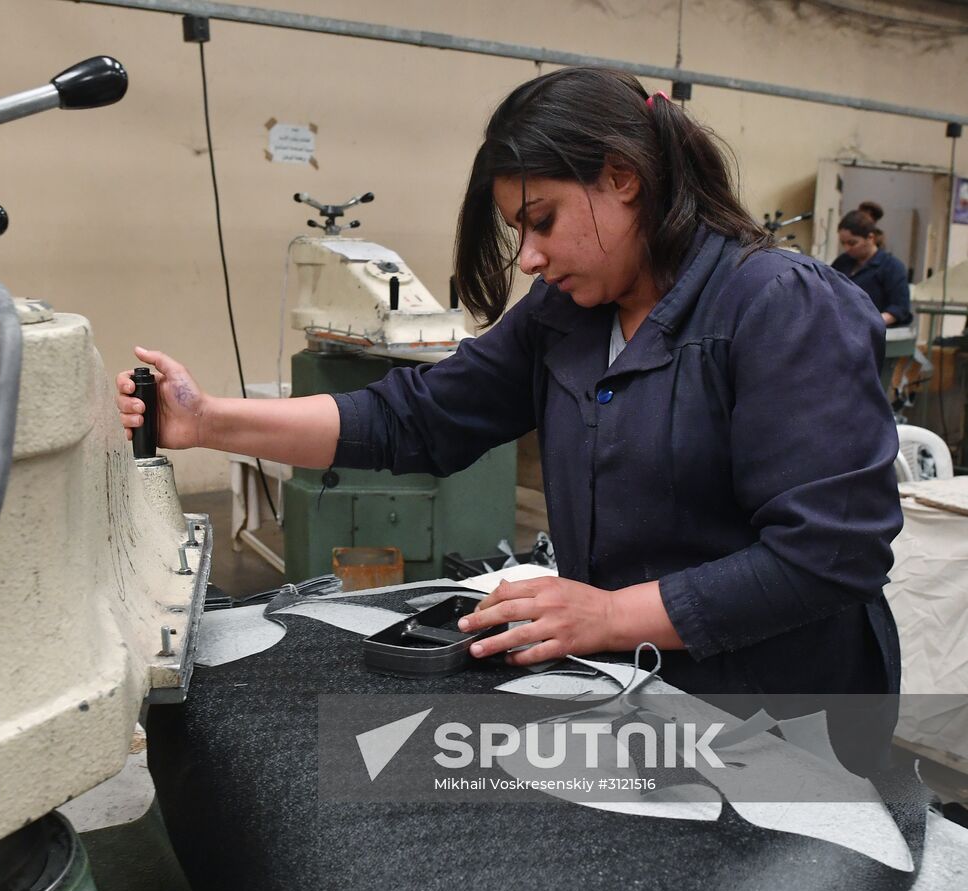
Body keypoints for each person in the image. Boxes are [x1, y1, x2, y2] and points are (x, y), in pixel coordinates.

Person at [117, 67, 902, 702]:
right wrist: (207, 420)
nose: (527, 256)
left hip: (785, 705)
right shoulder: (566, 315)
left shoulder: (780, 306)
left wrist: (608, 614)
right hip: (639, 682)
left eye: (544, 219)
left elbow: (831, 555)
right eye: (516, 230)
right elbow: (414, 418)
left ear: (624, 178)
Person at [834, 208, 911, 328]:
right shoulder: (841, 263)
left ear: (870, 238)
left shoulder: (892, 267)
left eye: (852, 243)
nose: (847, 248)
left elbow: (899, 308)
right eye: (843, 243)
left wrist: (872, 322)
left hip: (875, 334)